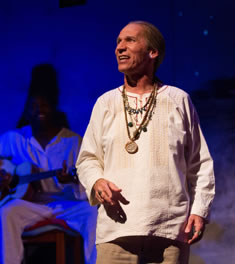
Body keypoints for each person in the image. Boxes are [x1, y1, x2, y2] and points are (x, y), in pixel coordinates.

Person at [76, 21, 215, 264]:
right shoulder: (105, 103)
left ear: (153, 52)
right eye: (118, 41)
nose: (120, 47)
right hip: (116, 230)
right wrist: (96, 181)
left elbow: (200, 165)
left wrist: (199, 211)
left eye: (129, 40)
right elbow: (88, 159)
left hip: (169, 228)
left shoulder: (178, 100)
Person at [0, 65, 97, 264]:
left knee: (94, 213)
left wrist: (72, 181)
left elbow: (89, 180)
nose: (38, 111)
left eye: (44, 106)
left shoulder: (73, 141)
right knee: (6, 212)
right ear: (27, 111)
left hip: (66, 203)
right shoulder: (16, 138)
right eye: (34, 106)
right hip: (31, 205)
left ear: (53, 109)